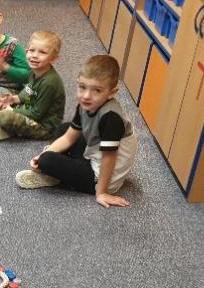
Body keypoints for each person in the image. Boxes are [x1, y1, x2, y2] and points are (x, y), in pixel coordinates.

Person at [15, 54, 137, 208]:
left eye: (97, 90)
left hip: (100, 177)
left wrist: (101, 192)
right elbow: (69, 137)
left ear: (112, 93)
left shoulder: (111, 118)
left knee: (47, 161)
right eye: (82, 87)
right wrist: (44, 153)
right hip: (94, 154)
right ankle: (58, 172)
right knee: (63, 129)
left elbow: (109, 158)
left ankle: (55, 175)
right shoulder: (86, 104)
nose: (86, 96)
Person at [0, 30, 65, 142]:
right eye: (32, 50)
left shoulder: (49, 83)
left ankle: (4, 124)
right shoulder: (33, 71)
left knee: (7, 116)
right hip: (30, 107)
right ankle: (3, 124)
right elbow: (28, 92)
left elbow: (36, 114)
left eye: (42, 52)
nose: (34, 55)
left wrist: (12, 110)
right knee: (3, 96)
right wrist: (13, 99)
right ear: (27, 51)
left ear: (53, 58)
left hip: (43, 126)